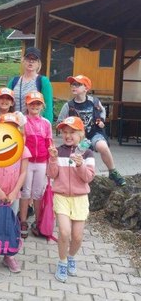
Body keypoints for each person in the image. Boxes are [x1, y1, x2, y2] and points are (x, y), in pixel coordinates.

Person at [47, 116, 95, 283]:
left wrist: (80, 164)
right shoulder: (58, 151)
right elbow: (51, 175)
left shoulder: (87, 153)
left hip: (80, 198)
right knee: (64, 232)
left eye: (72, 132)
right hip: (61, 196)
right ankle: (62, 261)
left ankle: (71, 257)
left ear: (81, 134)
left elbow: (88, 178)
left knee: (77, 236)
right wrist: (52, 159)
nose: (67, 135)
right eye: (64, 132)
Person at [57, 75, 126, 186]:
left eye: (78, 84)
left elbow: (102, 111)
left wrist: (102, 121)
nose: (74, 86)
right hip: (77, 137)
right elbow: (60, 121)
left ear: (86, 88)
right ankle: (74, 176)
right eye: (73, 84)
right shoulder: (68, 106)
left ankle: (112, 171)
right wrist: (67, 130)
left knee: (103, 147)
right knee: (78, 156)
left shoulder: (94, 101)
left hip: (94, 132)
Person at [0, 113, 31, 274]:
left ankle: (9, 254)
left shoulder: (23, 149)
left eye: (14, 128)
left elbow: (23, 173)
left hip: (13, 194)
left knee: (10, 223)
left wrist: (14, 192)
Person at [20, 91, 53, 238]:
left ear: (42, 106)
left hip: (41, 162)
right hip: (26, 162)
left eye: (38, 103)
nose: (35, 106)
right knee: (26, 192)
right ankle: (23, 221)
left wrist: (50, 162)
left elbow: (49, 143)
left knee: (38, 193)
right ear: (27, 105)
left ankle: (39, 222)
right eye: (32, 103)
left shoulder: (46, 123)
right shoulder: (23, 122)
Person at [7, 47, 54, 123]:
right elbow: (6, 102)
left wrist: (47, 125)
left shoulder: (43, 81)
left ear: (39, 63)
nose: (31, 62)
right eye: (28, 59)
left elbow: (48, 106)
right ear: (23, 61)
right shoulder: (13, 81)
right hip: (14, 124)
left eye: (34, 59)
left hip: (35, 126)